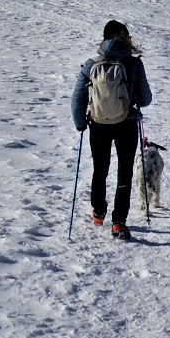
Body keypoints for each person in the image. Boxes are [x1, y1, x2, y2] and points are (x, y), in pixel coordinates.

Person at [71, 21, 153, 240]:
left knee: (100, 168)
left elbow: (78, 97)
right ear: (126, 39)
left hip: (98, 124)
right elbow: (146, 99)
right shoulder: (134, 65)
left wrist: (80, 122)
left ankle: (98, 212)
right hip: (126, 123)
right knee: (124, 171)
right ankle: (119, 223)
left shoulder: (92, 64)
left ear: (104, 39)